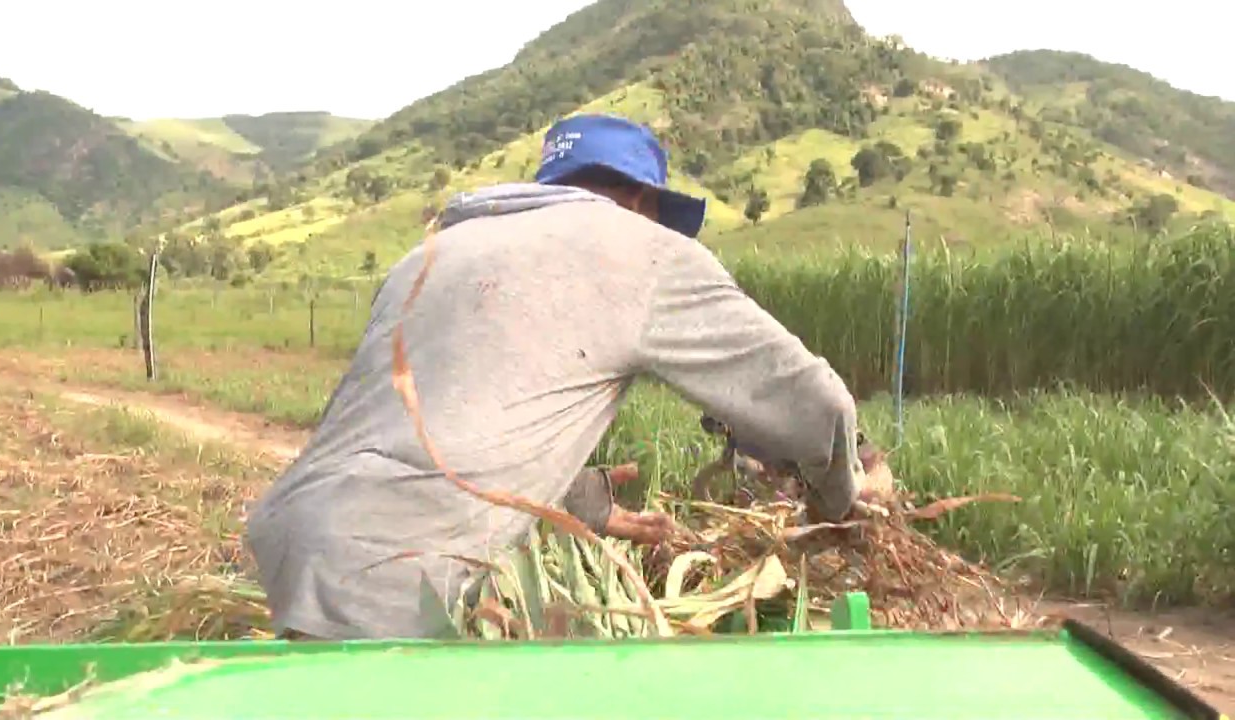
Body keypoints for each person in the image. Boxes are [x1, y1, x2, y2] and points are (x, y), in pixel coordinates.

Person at [244, 113, 873, 642]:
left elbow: (455, 427)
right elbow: (819, 408)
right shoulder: (642, 248)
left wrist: (592, 508)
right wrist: (846, 507)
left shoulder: (432, 252)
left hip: (294, 543)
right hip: (405, 574)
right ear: (642, 201)